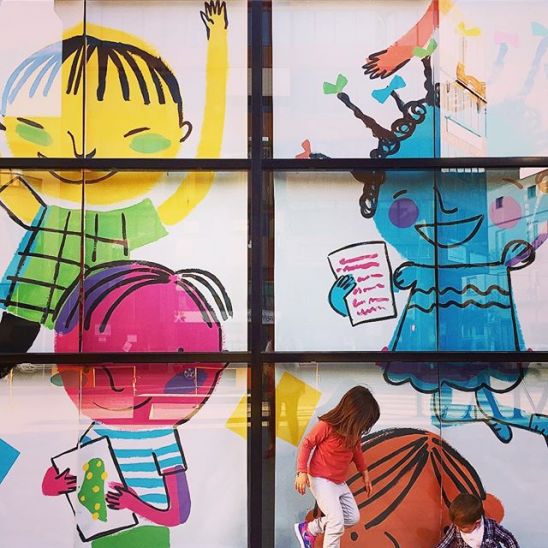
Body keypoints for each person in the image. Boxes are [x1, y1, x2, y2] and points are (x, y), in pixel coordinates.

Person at [293, 386, 380, 548]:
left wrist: (364, 472)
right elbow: (307, 444)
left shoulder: (353, 434)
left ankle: (310, 529)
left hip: (338, 482)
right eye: (363, 424)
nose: (363, 429)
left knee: (352, 517)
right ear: (353, 415)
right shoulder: (326, 426)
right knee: (336, 521)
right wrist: (301, 472)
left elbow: (357, 452)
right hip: (320, 479)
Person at [435, 493, 520, 548]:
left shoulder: (490, 526)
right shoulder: (456, 527)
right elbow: (444, 543)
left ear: (477, 523)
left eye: (462, 527)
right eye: (456, 525)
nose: (458, 527)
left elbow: (508, 538)